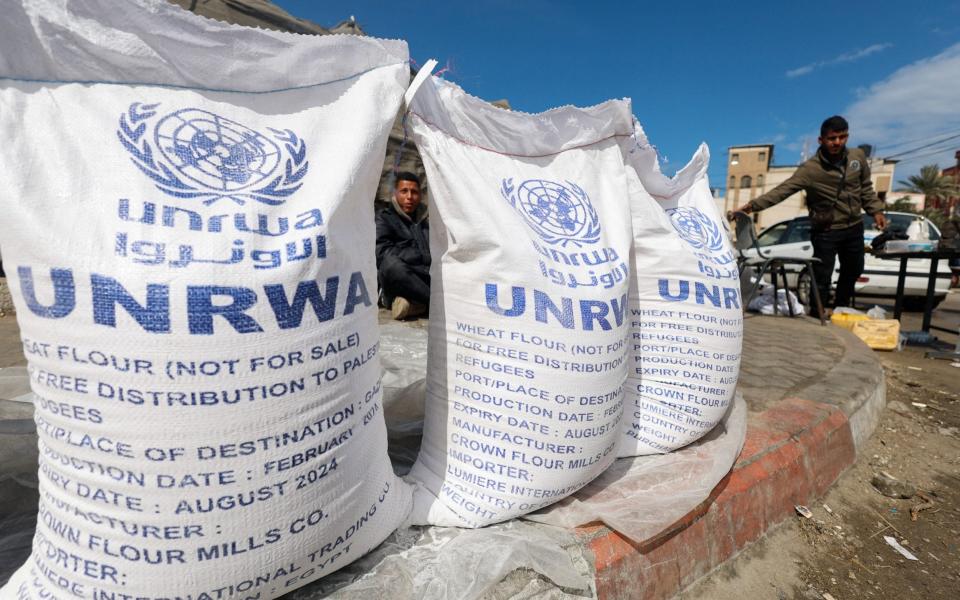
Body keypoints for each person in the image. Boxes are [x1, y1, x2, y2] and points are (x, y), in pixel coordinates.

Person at [735, 115, 887, 316]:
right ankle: (818, 311)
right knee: (822, 273)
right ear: (821, 140)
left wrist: (876, 211)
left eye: (842, 137)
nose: (837, 142)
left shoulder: (857, 158)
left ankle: (842, 308)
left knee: (854, 269)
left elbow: (866, 188)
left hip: (854, 226)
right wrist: (753, 206)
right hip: (827, 230)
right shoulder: (811, 169)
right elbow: (783, 191)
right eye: (832, 138)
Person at [375, 171, 430, 319]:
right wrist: (420, 256)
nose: (409, 197)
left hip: (425, 274)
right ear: (395, 193)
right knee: (392, 266)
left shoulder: (427, 221)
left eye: (414, 192)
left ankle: (413, 305)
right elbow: (382, 252)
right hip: (403, 275)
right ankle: (437, 303)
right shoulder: (384, 218)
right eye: (404, 191)